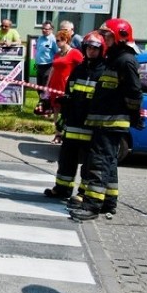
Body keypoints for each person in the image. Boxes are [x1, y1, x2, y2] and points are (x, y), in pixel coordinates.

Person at [70, 18, 143, 221]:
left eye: (107, 35)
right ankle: (108, 202)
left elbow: (135, 93)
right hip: (104, 120)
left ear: (119, 36)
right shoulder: (114, 59)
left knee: (99, 163)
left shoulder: (125, 61)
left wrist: (135, 115)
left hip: (111, 121)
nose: (104, 39)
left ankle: (91, 206)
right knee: (108, 163)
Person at [43, 31, 107, 201]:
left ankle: (83, 193)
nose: (91, 51)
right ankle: (62, 188)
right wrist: (64, 112)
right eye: (88, 47)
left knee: (88, 162)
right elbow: (69, 91)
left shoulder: (104, 71)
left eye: (95, 48)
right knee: (66, 158)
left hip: (90, 124)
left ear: (101, 50)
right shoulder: (79, 69)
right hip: (73, 121)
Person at [45, 30, 84, 143]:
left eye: (58, 40)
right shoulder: (57, 54)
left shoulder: (75, 53)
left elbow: (82, 66)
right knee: (56, 109)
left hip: (66, 85)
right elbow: (53, 69)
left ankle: (67, 134)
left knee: (66, 110)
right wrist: (47, 84)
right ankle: (58, 134)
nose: (56, 43)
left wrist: (75, 78)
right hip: (55, 85)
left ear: (65, 40)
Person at [34, 21, 58, 101]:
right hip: (39, 66)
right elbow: (38, 50)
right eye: (42, 28)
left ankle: (46, 107)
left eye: (46, 29)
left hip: (48, 66)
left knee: (45, 88)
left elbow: (57, 53)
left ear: (51, 30)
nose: (44, 30)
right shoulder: (40, 38)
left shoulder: (53, 40)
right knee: (39, 87)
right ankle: (41, 104)